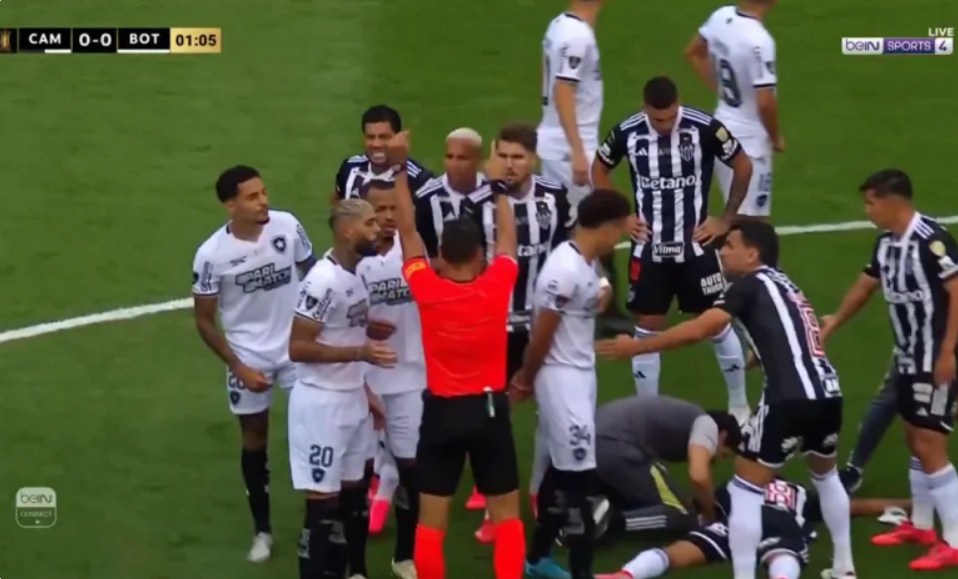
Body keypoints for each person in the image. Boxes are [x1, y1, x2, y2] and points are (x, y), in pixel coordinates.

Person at [597, 221, 856, 579]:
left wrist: (639, 346)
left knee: (747, 487)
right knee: (826, 477)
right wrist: (759, 354)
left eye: (731, 245)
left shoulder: (746, 285)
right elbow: (797, 331)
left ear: (753, 253)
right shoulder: (787, 284)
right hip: (828, 392)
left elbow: (704, 327)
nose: (722, 251)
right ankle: (844, 567)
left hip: (789, 397)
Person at [388, 130, 526, 579]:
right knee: (507, 517)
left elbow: (407, 230)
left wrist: (398, 169)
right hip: (488, 411)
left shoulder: (427, 288)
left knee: (431, 526)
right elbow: (510, 241)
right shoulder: (497, 284)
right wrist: (501, 191)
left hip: (442, 414)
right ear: (480, 255)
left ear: (441, 256)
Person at [592, 75, 752, 425]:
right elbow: (599, 168)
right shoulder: (628, 132)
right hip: (649, 251)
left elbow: (743, 164)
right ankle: (648, 415)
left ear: (678, 104)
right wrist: (622, 216)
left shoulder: (704, 128)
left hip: (697, 247)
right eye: (656, 119)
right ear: (645, 109)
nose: (664, 125)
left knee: (715, 324)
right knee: (647, 329)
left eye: (669, 117)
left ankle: (740, 406)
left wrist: (726, 219)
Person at [820, 169, 958, 572]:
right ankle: (921, 526)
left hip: (936, 358)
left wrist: (949, 353)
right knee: (915, 439)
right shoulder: (886, 245)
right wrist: (834, 322)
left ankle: (952, 540)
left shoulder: (931, 242)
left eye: (871, 202)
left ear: (893, 200)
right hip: (908, 357)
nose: (867, 211)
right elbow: (865, 286)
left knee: (931, 445)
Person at [191, 165, 316, 563]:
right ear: (231, 206)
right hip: (250, 358)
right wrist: (238, 366)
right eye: (252, 196)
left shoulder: (287, 226)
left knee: (312, 432)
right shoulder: (211, 256)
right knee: (254, 441)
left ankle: (315, 529)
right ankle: (262, 530)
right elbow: (204, 319)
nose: (263, 201)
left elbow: (314, 276)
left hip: (296, 350)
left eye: (264, 193)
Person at [512, 189, 631, 579]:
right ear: (611, 227)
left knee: (560, 471)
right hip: (561, 379)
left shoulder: (584, 258)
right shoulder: (563, 270)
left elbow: (593, 280)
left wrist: (605, 289)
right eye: (622, 228)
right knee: (580, 481)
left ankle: (536, 560)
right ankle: (580, 572)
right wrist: (527, 379)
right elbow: (542, 334)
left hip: (579, 374)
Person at [473, 123, 576, 544]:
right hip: (494, 329)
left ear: (532, 158)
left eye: (518, 157)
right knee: (492, 421)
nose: (510, 165)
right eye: (504, 156)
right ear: (493, 157)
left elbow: (571, 250)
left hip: (543, 326)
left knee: (550, 417)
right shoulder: (477, 203)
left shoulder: (555, 197)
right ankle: (497, 507)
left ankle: (537, 493)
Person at [287, 198, 397, 579]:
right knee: (321, 507)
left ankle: (357, 572)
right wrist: (361, 350)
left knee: (354, 498)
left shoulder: (356, 273)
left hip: (351, 399)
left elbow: (341, 328)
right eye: (370, 222)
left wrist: (365, 393)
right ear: (348, 230)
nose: (379, 226)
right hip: (321, 406)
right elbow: (298, 347)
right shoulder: (322, 280)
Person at [596, 477, 911, 579]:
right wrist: (913, 505)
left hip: (736, 524)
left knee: (677, 554)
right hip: (781, 524)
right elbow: (853, 507)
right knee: (781, 554)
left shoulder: (735, 484)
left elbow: (705, 506)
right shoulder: (799, 492)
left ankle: (626, 575)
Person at [537, 0, 630, 334]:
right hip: (569, 148)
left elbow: (546, 82)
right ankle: (603, 310)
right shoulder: (578, 35)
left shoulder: (560, 24)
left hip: (558, 141)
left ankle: (592, 300)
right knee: (593, 225)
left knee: (574, 223)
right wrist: (577, 151)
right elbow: (562, 88)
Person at [355, 181, 425, 578]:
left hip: (411, 375)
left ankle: (404, 554)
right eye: (376, 210)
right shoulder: (351, 262)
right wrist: (365, 323)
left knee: (411, 466)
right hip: (364, 381)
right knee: (358, 472)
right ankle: (356, 565)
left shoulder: (414, 252)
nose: (385, 217)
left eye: (392, 208)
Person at [593, 395, 741, 539]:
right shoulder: (708, 425)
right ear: (722, 435)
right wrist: (710, 515)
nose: (719, 460)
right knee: (682, 513)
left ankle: (591, 509)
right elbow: (699, 476)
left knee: (641, 500)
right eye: (725, 454)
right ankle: (611, 523)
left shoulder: (687, 416)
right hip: (617, 445)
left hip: (591, 443)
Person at [686, 0, 781, 219]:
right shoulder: (760, 41)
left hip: (722, 129)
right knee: (751, 226)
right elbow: (765, 102)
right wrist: (776, 138)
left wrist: (723, 91)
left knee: (740, 222)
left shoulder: (721, 16)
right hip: (750, 145)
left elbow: (693, 52)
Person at [331, 104, 433, 202]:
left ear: (399, 138)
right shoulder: (350, 167)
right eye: (370, 137)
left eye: (384, 137)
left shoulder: (419, 179)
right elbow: (337, 205)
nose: (376, 144)